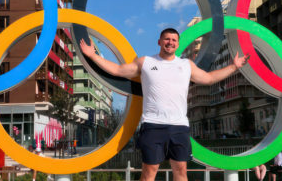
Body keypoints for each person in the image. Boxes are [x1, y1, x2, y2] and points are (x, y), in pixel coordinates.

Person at [80, 28, 249, 181]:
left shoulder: (186, 65)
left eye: (174, 40)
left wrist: (234, 67)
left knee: (181, 170)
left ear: (178, 44)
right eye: (167, 39)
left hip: (179, 126)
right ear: (159, 42)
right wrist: (92, 55)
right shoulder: (146, 62)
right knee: (149, 171)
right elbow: (117, 70)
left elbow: (210, 78)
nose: (170, 42)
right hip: (153, 125)